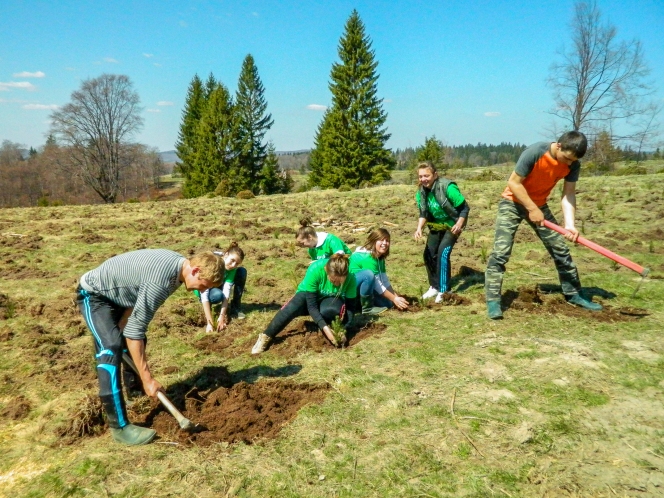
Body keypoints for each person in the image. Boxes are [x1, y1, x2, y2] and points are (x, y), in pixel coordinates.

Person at [76, 249, 224, 445]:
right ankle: (120, 427)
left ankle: (135, 393)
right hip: (94, 294)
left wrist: (125, 320)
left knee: (133, 341)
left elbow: (137, 291)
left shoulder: (178, 270)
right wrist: (148, 379)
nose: (204, 291)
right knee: (110, 347)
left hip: (119, 296)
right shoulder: (162, 281)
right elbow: (134, 331)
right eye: (204, 285)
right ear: (195, 271)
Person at [484, 131, 603, 319]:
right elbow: (514, 183)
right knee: (501, 252)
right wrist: (532, 208)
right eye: (566, 158)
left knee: (560, 250)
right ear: (558, 146)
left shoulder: (573, 164)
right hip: (512, 203)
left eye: (572, 161)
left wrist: (570, 225)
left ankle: (574, 294)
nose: (568, 164)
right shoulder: (535, 152)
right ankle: (493, 301)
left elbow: (568, 194)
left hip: (539, 205)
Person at [251, 254, 358, 354]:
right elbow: (311, 306)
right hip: (307, 296)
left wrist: (344, 329)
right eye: (333, 281)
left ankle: (334, 328)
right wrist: (325, 329)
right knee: (291, 308)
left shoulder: (351, 278)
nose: (336, 284)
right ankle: (266, 336)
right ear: (326, 271)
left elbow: (351, 308)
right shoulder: (316, 269)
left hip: (329, 300)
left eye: (340, 282)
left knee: (331, 310)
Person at [413, 162, 470, 303]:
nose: (423, 179)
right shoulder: (421, 193)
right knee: (428, 254)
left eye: (426, 175)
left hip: (452, 225)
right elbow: (423, 213)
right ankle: (434, 286)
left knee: (442, 254)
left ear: (435, 175)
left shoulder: (448, 187)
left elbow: (465, 208)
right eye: (421, 176)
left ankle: (444, 290)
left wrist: (459, 224)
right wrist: (419, 228)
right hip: (436, 226)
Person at [350, 228, 409, 314]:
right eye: (381, 240)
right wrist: (394, 298)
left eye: (387, 240)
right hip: (350, 289)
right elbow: (378, 285)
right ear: (373, 241)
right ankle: (366, 308)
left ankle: (360, 304)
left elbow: (384, 280)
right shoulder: (367, 258)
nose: (385, 243)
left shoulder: (379, 257)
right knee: (368, 275)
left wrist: (396, 298)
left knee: (388, 304)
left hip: (365, 287)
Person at [194, 242, 247, 332]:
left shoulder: (232, 269)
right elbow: (204, 292)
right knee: (217, 295)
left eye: (237, 263)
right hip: (203, 288)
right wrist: (210, 323)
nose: (233, 265)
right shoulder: (214, 263)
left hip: (218, 285)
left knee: (242, 271)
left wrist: (222, 317)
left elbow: (227, 292)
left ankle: (236, 308)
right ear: (226, 255)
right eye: (232, 260)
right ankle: (208, 308)